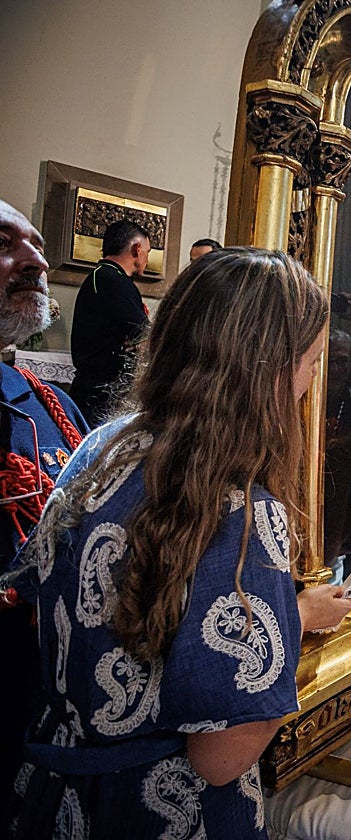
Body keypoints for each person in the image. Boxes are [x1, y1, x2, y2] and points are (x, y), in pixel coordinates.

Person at [7, 247, 351, 838]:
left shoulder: (102, 447)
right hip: (157, 809)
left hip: (55, 795)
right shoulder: (242, 511)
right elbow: (220, 757)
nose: (310, 381)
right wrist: (292, 619)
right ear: (267, 369)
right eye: (310, 360)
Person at [0, 199, 89, 824]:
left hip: (41, 707)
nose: (36, 260)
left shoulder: (49, 405)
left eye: (36, 244)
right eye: (5, 243)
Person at [69, 219, 152, 425]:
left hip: (98, 387)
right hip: (102, 391)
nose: (147, 259)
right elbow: (143, 333)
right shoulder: (113, 280)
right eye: (147, 252)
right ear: (137, 248)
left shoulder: (103, 276)